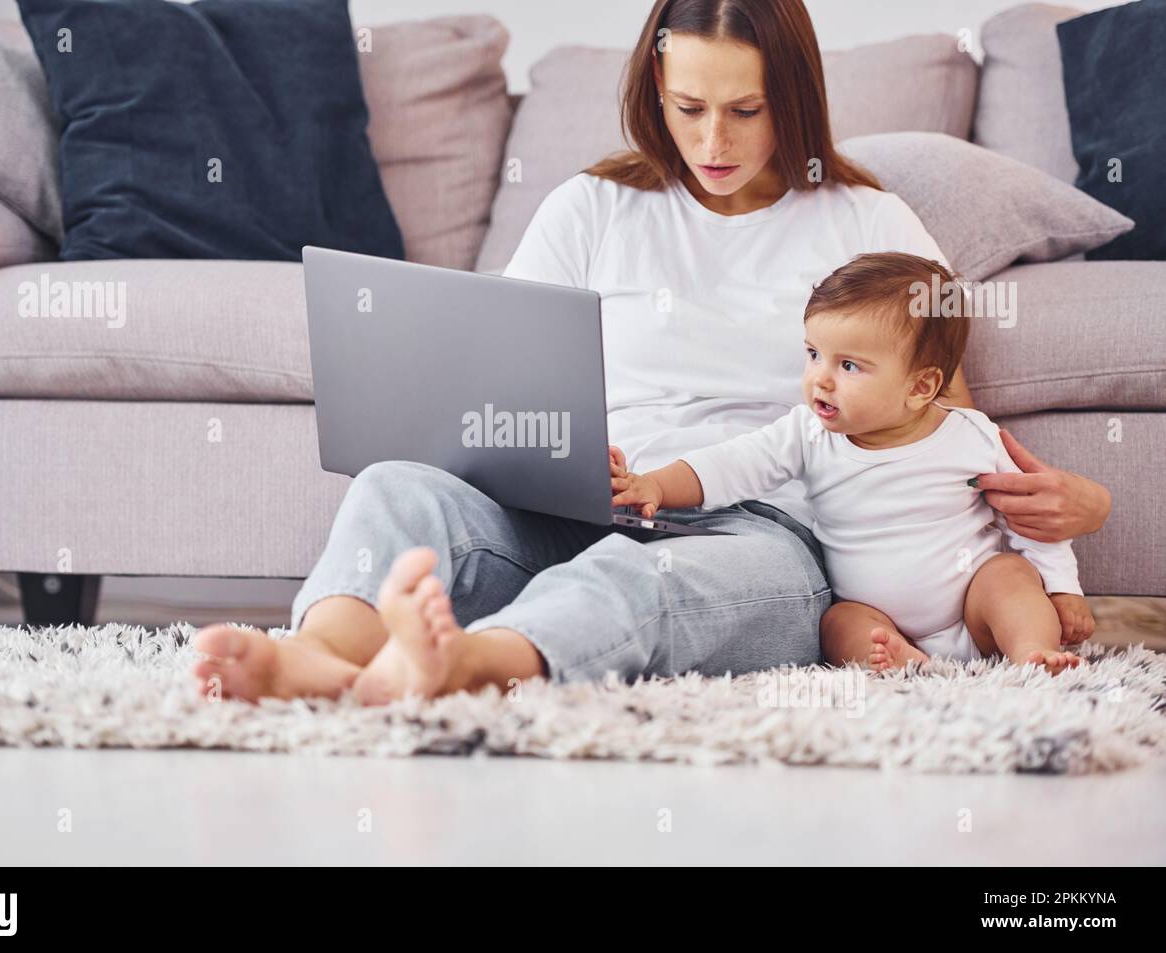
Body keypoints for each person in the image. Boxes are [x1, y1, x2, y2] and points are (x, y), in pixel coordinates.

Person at [191, 0, 1110, 705]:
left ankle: (467, 665)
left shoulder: (870, 223)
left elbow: (943, 423)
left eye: (746, 110)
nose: (714, 143)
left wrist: (1079, 506)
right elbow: (489, 377)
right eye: (689, 108)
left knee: (641, 575)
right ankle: (321, 661)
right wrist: (549, 452)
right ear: (654, 94)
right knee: (395, 486)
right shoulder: (592, 206)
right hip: (580, 504)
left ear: (791, 99)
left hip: (761, 536)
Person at [612, 251, 1091, 675]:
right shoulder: (807, 434)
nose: (820, 378)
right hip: (876, 617)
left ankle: (1031, 653)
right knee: (837, 623)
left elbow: (1032, 519)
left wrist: (1063, 588)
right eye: (814, 354)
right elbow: (730, 465)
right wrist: (653, 484)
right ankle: (905, 665)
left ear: (920, 387)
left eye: (848, 366)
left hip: (973, 612)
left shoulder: (971, 437)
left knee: (1008, 578)